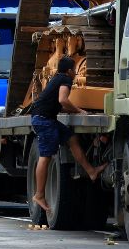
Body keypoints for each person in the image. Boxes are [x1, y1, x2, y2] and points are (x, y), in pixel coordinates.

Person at [30, 56, 107, 214]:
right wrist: (79, 110)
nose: (76, 73)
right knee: (46, 156)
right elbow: (63, 100)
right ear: (70, 71)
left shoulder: (58, 78)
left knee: (72, 139)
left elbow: (58, 104)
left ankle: (91, 171)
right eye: (75, 70)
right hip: (44, 121)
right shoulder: (65, 79)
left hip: (45, 118)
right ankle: (39, 195)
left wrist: (75, 110)